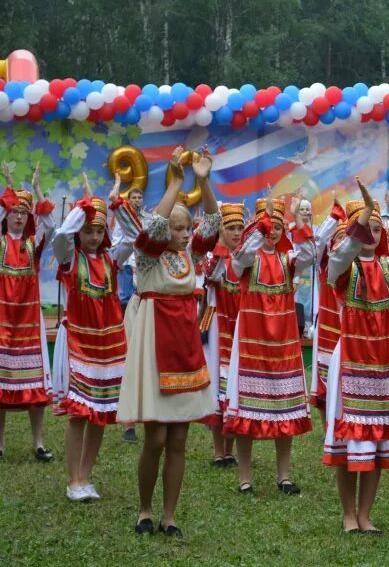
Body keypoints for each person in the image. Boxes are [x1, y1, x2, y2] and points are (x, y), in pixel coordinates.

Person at [116, 145, 220, 538]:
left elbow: (211, 221)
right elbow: (151, 230)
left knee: (179, 438)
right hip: (155, 343)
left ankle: (169, 515)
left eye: (185, 229)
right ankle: (144, 509)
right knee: (155, 438)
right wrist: (175, 183)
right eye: (179, 228)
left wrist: (203, 181)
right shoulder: (149, 255)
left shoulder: (190, 251)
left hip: (185, 345)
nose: (184, 234)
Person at [324, 176, 389, 534]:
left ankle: (365, 515)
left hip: (384, 365)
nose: (373, 235)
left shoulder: (388, 269)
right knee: (351, 441)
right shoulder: (341, 271)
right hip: (350, 363)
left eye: (379, 229)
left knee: (377, 438)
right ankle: (348, 514)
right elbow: (342, 253)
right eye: (368, 228)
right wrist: (364, 215)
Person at [224, 196, 315, 495]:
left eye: (277, 226)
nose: (272, 231)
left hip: (284, 345)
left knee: (286, 409)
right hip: (252, 343)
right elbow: (239, 261)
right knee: (248, 412)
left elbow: (309, 254)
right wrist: (258, 230)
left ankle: (283, 475)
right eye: (268, 226)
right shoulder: (248, 258)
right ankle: (245, 477)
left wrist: (298, 221)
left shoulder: (288, 261)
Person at [52, 173, 132, 500]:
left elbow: (132, 236)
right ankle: (73, 480)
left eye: (99, 231)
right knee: (78, 414)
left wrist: (115, 204)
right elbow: (60, 235)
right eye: (89, 230)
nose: (95, 236)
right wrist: (82, 210)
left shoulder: (113, 260)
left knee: (100, 415)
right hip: (79, 345)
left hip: (110, 348)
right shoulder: (71, 259)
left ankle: (86, 476)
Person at [0, 161, 56, 462]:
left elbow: (51, 225)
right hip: (1, 323)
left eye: (23, 213)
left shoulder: (34, 244)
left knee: (36, 389)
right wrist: (9, 183)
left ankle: (38, 442)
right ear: (7, 214)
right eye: (14, 212)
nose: (19, 217)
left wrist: (35, 188)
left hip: (28, 325)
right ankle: (0, 444)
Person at [201, 201, 245, 467]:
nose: (237, 233)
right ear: (221, 230)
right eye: (231, 228)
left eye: (240, 227)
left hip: (240, 325)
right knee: (218, 385)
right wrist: (219, 245)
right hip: (217, 325)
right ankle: (220, 451)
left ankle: (231, 448)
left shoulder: (246, 257)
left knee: (236, 385)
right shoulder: (212, 257)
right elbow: (211, 274)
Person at [111, 185, 149, 445]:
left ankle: (159, 416)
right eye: (132, 198)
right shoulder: (133, 232)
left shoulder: (151, 224)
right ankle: (129, 422)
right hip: (138, 297)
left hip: (158, 308)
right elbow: (125, 245)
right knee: (131, 360)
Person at [309, 194, 347, 425]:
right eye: (338, 239)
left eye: (346, 239)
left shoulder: (354, 267)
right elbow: (318, 239)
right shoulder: (325, 263)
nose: (342, 243)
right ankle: (327, 433)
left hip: (348, 329)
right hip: (327, 328)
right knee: (323, 384)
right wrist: (335, 215)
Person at [290, 193, 315, 337]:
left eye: (307, 209)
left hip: (311, 275)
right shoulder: (291, 230)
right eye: (302, 209)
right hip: (297, 272)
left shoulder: (316, 230)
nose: (305, 212)